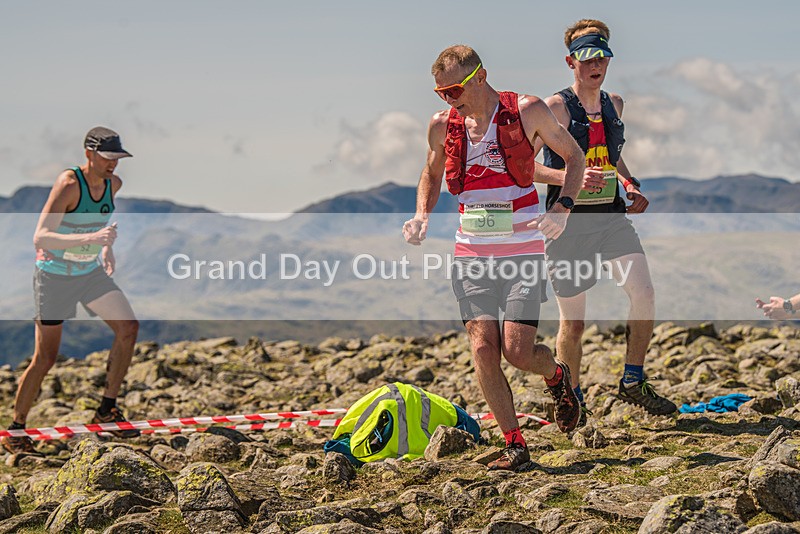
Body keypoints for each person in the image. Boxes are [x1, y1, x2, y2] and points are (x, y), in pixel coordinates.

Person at [403, 45, 585, 471]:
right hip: (471, 253)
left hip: (522, 251)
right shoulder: (442, 125)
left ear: (480, 77)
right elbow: (430, 172)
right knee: (484, 348)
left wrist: (562, 208)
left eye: (453, 90)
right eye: (440, 93)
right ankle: (515, 445)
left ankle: (558, 378)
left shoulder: (527, 110)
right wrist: (420, 216)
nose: (447, 100)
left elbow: (574, 157)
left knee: (517, 352)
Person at [535, 19, 677, 423]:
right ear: (571, 62)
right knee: (574, 324)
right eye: (587, 58)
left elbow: (612, 158)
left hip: (612, 218)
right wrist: (571, 177)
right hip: (569, 223)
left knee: (644, 293)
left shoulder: (614, 104)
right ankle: (572, 400)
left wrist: (630, 184)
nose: (595, 65)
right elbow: (525, 169)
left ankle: (633, 380)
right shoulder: (554, 108)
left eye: (602, 56)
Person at [1, 127, 141, 455]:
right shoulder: (69, 184)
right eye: (108, 158)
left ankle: (107, 409)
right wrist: (89, 241)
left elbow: (97, 222)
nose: (113, 165)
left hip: (88, 273)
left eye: (118, 159)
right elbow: (42, 236)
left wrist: (105, 248)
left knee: (128, 328)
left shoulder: (113, 185)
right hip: (54, 277)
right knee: (46, 358)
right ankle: (17, 428)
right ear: (89, 154)